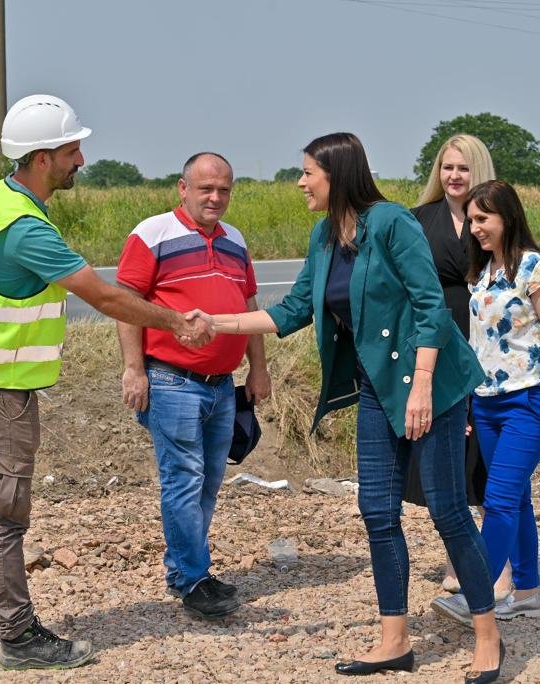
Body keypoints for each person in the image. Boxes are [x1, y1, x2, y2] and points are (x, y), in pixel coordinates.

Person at [0, 94, 212, 671]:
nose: (80, 160)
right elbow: (106, 296)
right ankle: (19, 637)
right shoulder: (26, 230)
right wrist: (176, 323)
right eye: (70, 151)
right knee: (6, 512)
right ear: (41, 158)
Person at [209, 133, 504, 683]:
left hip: (433, 383)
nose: (300, 183)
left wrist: (422, 386)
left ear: (337, 175)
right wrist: (215, 323)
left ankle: (488, 635)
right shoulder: (324, 235)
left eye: (308, 173)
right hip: (377, 387)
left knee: (447, 509)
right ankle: (395, 639)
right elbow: (293, 310)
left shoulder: (391, 222)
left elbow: (431, 307)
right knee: (377, 510)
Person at [115, 152, 271, 620]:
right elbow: (126, 303)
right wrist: (133, 368)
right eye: (206, 188)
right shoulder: (152, 234)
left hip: (222, 385)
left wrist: (258, 368)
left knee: (208, 482)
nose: (215, 197)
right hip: (171, 380)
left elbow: (248, 305)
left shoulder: (235, 240)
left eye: (224, 189)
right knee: (183, 480)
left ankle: (188, 570)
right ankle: (192, 578)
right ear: (183, 188)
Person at [431, 180, 540, 629]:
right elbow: (479, 345)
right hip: (487, 402)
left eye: (483, 219)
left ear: (507, 216)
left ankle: (477, 594)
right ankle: (528, 592)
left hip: (531, 398)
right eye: (471, 220)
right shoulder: (482, 272)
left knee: (497, 500)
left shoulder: (536, 268)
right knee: (516, 499)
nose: (475, 227)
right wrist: (467, 402)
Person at [401, 134, 512, 601]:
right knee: (446, 453)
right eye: (447, 167)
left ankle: (497, 562)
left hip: (486, 340)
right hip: (436, 341)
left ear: (478, 171)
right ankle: (458, 553)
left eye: (463, 168)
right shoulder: (417, 219)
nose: (454, 176)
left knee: (485, 452)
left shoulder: (491, 218)